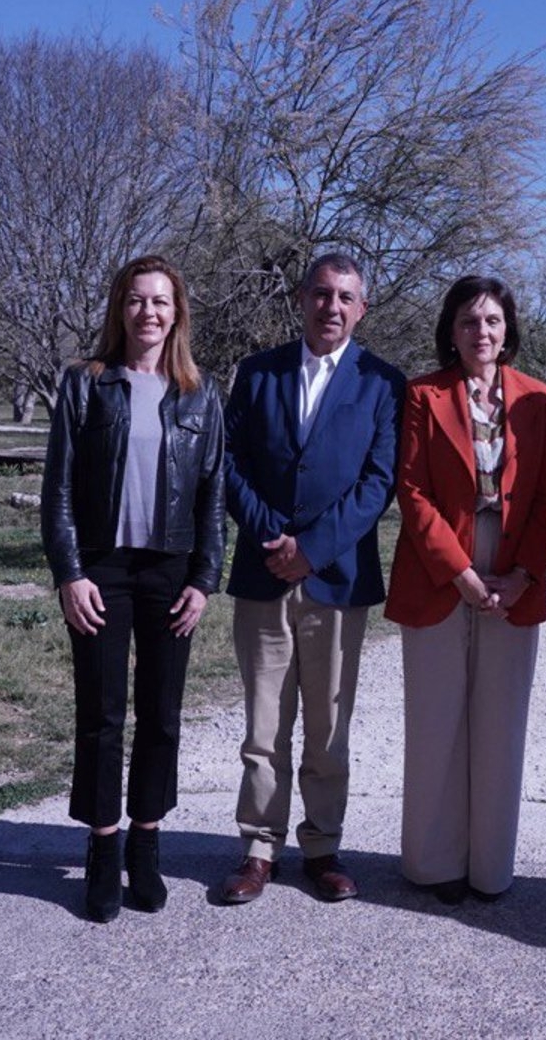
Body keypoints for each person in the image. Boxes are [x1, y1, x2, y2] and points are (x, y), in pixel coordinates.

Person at [40, 253, 226, 923]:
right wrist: (69, 572)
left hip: (170, 572)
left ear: (178, 313)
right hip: (101, 570)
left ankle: (146, 845)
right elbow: (57, 489)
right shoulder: (86, 385)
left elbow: (212, 495)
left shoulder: (200, 392)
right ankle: (101, 847)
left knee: (162, 715)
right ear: (120, 309)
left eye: (161, 301)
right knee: (101, 715)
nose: (149, 312)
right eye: (136, 300)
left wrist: (205, 578)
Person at [217, 252, 406, 905]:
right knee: (264, 725)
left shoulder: (383, 382)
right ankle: (259, 847)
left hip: (337, 578)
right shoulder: (258, 373)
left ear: (362, 307)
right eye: (320, 293)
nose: (331, 306)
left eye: (345, 296)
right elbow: (230, 460)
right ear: (300, 299)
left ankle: (322, 846)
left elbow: (378, 481)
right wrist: (275, 538)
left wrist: (314, 548)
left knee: (327, 725)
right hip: (263, 571)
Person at [385, 275, 546, 904]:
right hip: (440, 568)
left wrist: (523, 575)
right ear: (450, 331)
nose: (480, 332)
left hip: (513, 570)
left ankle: (491, 867)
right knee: (436, 723)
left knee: (500, 724)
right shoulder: (423, 394)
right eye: (467, 321)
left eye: (491, 320)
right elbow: (413, 491)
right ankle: (434, 865)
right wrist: (459, 571)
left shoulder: (538, 400)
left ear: (507, 328)